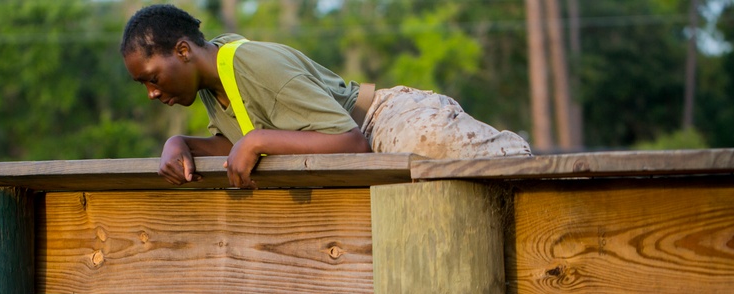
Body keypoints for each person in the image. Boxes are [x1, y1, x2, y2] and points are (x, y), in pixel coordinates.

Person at [122, 3, 531, 189]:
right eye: (144, 85)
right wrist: (179, 143)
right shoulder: (214, 86)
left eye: (152, 78)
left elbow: (352, 142)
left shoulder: (253, 64)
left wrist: (259, 141)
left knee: (429, 145)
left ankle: (526, 158)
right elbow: (234, 143)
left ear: (182, 51)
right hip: (354, 135)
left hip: (380, 119)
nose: (152, 93)